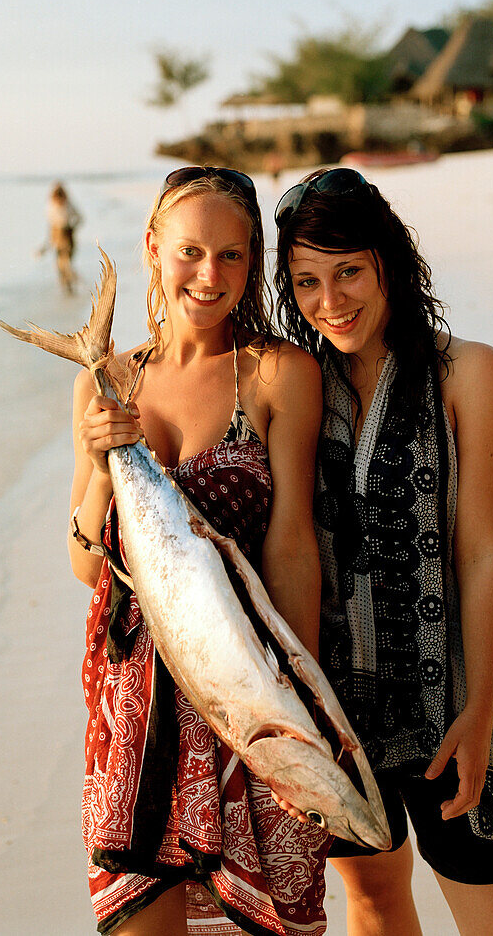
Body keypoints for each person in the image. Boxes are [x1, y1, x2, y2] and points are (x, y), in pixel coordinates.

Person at [273, 168, 493, 936]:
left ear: (387, 264)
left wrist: (473, 712)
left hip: (451, 707)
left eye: (347, 273)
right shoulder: (299, 385)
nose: (329, 302)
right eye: (305, 282)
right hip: (339, 712)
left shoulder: (468, 373)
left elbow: (484, 553)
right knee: (372, 901)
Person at [69, 167, 329, 935]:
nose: (209, 275)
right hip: (133, 703)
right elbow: (87, 564)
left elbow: (291, 549)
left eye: (232, 256)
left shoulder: (280, 374)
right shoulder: (106, 381)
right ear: (153, 249)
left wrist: (298, 715)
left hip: (244, 691)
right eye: (189, 252)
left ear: (253, 261)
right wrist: (97, 464)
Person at [47, 181, 82, 293]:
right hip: (59, 237)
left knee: (65, 263)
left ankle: (69, 285)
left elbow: (79, 218)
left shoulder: (67, 205)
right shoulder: (52, 206)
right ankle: (67, 285)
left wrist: (71, 228)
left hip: (66, 237)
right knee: (62, 264)